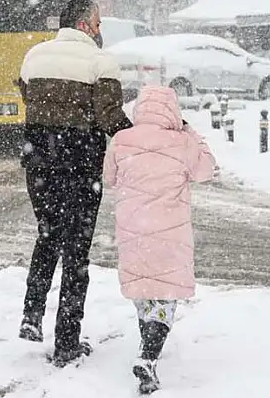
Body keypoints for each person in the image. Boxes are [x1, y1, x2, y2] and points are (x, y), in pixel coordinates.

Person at [16, 0, 133, 367]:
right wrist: (144, 136)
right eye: (97, 24)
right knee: (76, 250)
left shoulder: (34, 56)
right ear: (84, 25)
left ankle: (31, 316)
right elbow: (110, 117)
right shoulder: (101, 63)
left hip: (38, 159)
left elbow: (29, 97)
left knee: (48, 232)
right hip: (80, 163)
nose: (100, 31)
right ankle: (67, 341)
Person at [103, 86, 216, 394]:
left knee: (144, 290)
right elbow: (207, 169)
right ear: (172, 111)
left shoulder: (122, 140)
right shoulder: (181, 142)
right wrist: (191, 131)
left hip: (133, 230)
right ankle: (148, 356)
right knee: (165, 296)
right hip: (170, 233)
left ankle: (146, 347)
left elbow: (109, 177)